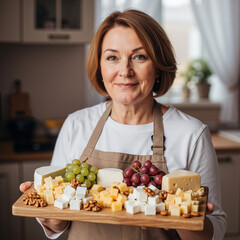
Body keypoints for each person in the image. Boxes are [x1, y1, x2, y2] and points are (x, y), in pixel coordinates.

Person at [20, 9, 226, 240]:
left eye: (139, 57)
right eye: (112, 57)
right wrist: (52, 217)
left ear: (157, 66)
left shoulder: (191, 134)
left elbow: (215, 228)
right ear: (100, 67)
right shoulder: (76, 124)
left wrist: (182, 219)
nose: (125, 71)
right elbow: (58, 226)